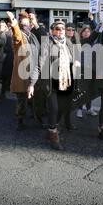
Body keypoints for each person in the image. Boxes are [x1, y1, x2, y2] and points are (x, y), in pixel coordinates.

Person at [30, 21, 77, 150]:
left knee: (62, 108)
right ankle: (53, 135)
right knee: (54, 108)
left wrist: (75, 63)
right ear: (52, 30)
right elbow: (39, 65)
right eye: (57, 28)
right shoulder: (47, 43)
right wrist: (32, 84)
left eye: (63, 28)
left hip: (65, 81)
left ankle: (52, 127)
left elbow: (72, 59)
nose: (61, 30)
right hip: (51, 82)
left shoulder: (68, 43)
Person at [7, 11, 40, 131]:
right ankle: (19, 121)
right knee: (22, 99)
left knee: (35, 99)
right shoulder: (19, 37)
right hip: (22, 74)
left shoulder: (33, 36)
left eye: (26, 24)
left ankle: (37, 118)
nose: (24, 26)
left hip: (34, 72)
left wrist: (35, 23)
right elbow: (16, 35)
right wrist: (14, 23)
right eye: (22, 24)